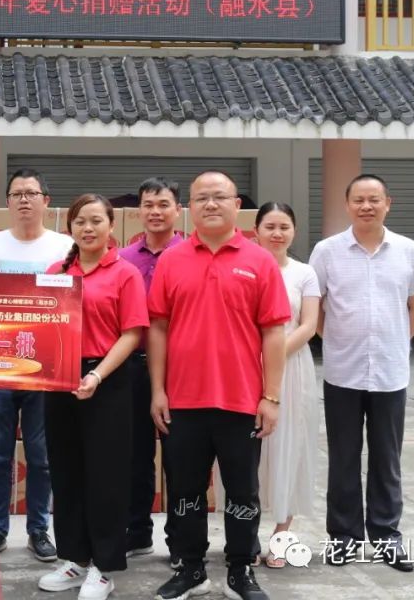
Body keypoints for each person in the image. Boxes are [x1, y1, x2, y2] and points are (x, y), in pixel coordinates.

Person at [149, 171, 290, 600]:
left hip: (241, 400)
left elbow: (274, 332)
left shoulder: (259, 261)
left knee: (243, 491)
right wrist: (158, 390)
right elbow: (158, 327)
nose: (211, 204)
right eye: (202, 198)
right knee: (185, 491)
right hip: (182, 401)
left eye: (220, 197)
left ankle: (240, 569)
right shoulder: (172, 260)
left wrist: (271, 396)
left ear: (237, 205)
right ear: (189, 207)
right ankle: (190, 568)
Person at [309, 174, 414, 572]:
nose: (367, 206)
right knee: (343, 457)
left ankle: (386, 536)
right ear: (347, 205)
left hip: (391, 374)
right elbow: (314, 307)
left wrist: (395, 342)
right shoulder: (327, 252)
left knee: (386, 458)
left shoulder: (410, 251)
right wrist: (335, 340)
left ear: (387, 203)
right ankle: (343, 538)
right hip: (342, 372)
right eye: (359, 199)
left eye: (374, 199)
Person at [38, 194, 148, 600]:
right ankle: (74, 558)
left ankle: (104, 566)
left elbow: (132, 333)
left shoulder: (125, 273)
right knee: (66, 472)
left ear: (111, 226)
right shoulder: (55, 272)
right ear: (70, 227)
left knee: (106, 476)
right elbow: (40, 326)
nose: (88, 228)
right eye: (80, 221)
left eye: (96, 221)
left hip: (109, 381)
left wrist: (97, 375)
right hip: (60, 381)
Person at [0, 168, 72, 563]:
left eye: (32, 193)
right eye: (17, 194)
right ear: (8, 202)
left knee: (41, 456)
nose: (24, 199)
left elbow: (70, 305)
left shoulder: (64, 246)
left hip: (46, 368)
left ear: (46, 201)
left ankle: (38, 530)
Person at [118, 177, 184, 563]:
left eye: (163, 204)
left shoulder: (191, 255)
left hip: (179, 369)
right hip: (131, 367)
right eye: (148, 205)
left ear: (178, 210)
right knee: (134, 455)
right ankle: (137, 532)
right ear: (138, 211)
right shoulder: (123, 258)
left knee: (180, 457)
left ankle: (179, 541)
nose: (155, 212)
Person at [252, 202, 320, 568]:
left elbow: (308, 326)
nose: (277, 234)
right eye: (270, 226)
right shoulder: (245, 266)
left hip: (292, 370)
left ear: (293, 232)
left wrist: (271, 358)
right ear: (256, 230)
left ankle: (281, 537)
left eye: (284, 227)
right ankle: (245, 536)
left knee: (290, 447)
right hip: (246, 370)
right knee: (247, 453)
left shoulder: (305, 273)